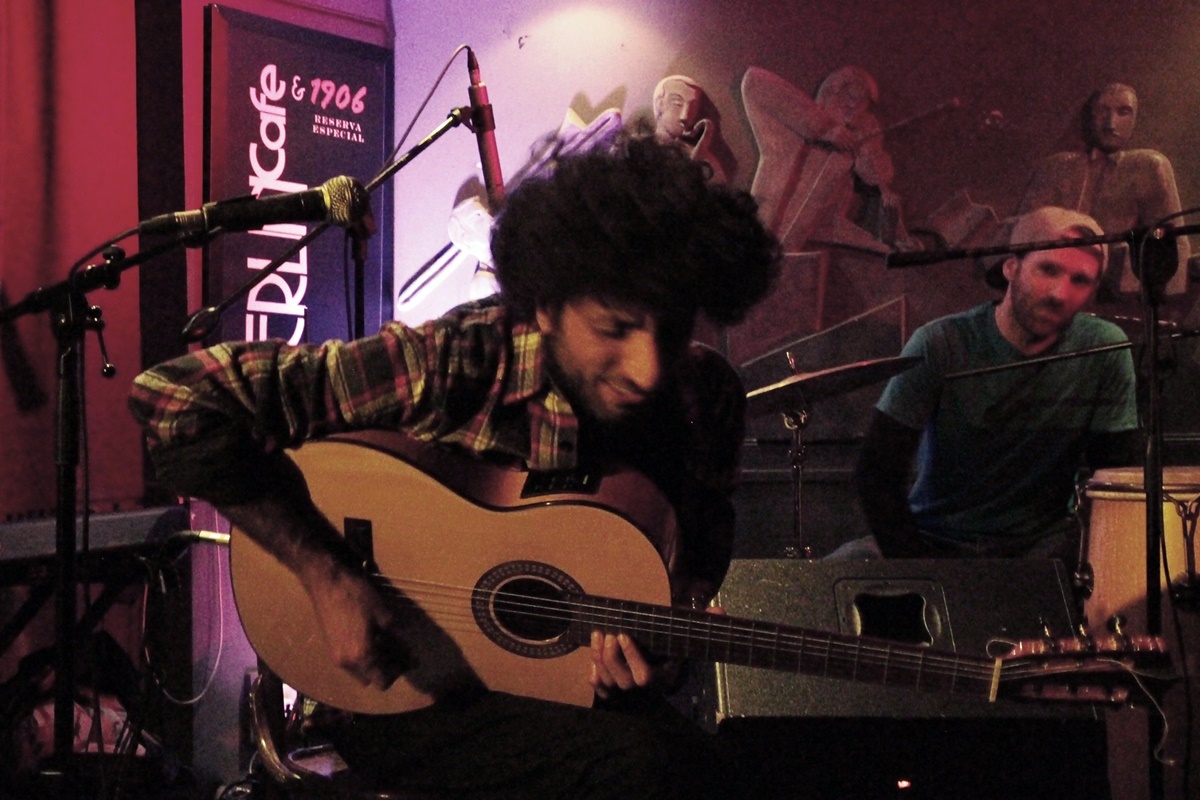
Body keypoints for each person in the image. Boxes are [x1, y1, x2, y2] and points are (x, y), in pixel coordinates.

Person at [128, 133, 780, 799]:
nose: (646, 368)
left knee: (745, 769)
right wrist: (328, 576)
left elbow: (688, 583)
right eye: (614, 329)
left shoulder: (705, 401)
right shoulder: (461, 360)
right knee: (651, 771)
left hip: (572, 698)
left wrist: (659, 655)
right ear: (548, 307)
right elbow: (176, 397)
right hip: (399, 690)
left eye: (669, 330)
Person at [837, 206, 1140, 561]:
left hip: (1043, 547)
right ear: (1011, 267)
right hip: (936, 538)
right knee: (844, 568)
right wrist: (920, 567)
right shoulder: (941, 342)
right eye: (1048, 270)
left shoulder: (1104, 348)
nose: (1060, 293)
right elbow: (877, 473)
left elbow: (1117, 473)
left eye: (1080, 280)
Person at [1014, 82, 1190, 297]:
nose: (1110, 123)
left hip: (1116, 292)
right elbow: (1020, 234)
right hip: (1051, 286)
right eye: (1102, 111)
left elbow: (1174, 243)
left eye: (1123, 112)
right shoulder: (1056, 167)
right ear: (1089, 115)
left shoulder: (1149, 166)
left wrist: (1161, 298)